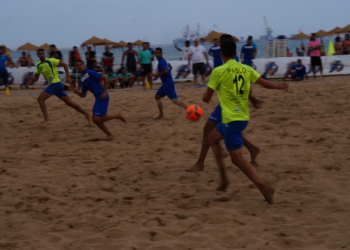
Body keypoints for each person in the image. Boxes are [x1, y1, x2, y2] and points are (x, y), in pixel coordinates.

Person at [203, 39, 289, 204]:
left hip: (231, 119)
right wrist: (278, 86)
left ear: (221, 54)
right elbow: (265, 84)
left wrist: (211, 93)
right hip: (243, 117)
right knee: (212, 139)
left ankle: (264, 189)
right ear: (236, 54)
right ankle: (223, 177)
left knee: (238, 159)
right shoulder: (246, 68)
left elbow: (206, 99)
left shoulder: (218, 71)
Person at [187, 34, 260, 173]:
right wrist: (252, 98)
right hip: (228, 102)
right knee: (222, 129)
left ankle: (200, 163)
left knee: (213, 129)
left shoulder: (233, 61)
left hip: (229, 104)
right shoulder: (229, 59)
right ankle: (252, 148)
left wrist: (252, 97)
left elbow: (240, 84)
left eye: (220, 44)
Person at [28, 49, 92, 127]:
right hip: (54, 86)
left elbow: (64, 64)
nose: (41, 55)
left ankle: (46, 120)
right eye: (40, 54)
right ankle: (87, 115)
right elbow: (36, 78)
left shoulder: (50, 60)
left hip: (56, 84)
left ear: (44, 54)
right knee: (70, 103)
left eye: (42, 53)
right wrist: (31, 78)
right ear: (37, 55)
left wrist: (68, 76)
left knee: (40, 99)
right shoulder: (38, 65)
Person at [73, 60, 127, 140]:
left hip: (102, 96)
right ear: (76, 68)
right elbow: (83, 95)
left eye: (81, 64)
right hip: (97, 97)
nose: (79, 66)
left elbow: (105, 78)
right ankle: (109, 135)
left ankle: (118, 116)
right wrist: (77, 92)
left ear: (84, 65)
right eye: (77, 65)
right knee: (95, 120)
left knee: (96, 118)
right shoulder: (82, 80)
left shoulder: (90, 72)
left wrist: (105, 92)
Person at [150, 47, 187, 119]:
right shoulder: (163, 60)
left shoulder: (161, 61)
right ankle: (161, 115)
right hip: (166, 84)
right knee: (157, 97)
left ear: (161, 53)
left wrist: (156, 75)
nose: (157, 54)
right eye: (156, 53)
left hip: (168, 84)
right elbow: (170, 66)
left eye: (158, 53)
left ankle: (189, 109)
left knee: (175, 101)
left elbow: (165, 71)